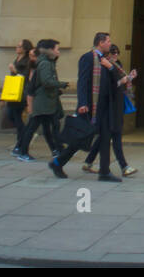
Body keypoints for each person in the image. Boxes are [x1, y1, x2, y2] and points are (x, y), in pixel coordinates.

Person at [50, 32, 121, 182]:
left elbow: (117, 79)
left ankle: (104, 172)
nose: (110, 44)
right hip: (90, 106)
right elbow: (82, 81)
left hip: (105, 106)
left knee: (105, 137)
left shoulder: (107, 60)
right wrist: (82, 102)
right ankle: (58, 162)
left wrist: (110, 68)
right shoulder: (88, 58)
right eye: (108, 41)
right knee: (81, 138)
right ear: (100, 43)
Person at [84, 47, 138, 177]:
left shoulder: (116, 66)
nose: (115, 55)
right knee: (115, 135)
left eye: (117, 53)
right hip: (111, 107)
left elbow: (120, 83)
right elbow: (110, 85)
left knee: (105, 137)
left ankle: (89, 161)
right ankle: (123, 166)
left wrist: (129, 78)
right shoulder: (105, 66)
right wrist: (123, 79)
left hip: (116, 106)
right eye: (113, 53)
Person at [15, 40, 66, 161]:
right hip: (43, 102)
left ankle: (58, 150)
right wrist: (61, 84)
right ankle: (22, 151)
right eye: (56, 49)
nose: (58, 51)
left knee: (51, 126)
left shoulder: (48, 62)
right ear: (50, 50)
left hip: (47, 102)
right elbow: (46, 81)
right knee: (33, 126)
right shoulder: (45, 64)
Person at [4, 40, 34, 156]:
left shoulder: (27, 61)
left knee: (16, 117)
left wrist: (14, 71)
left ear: (25, 48)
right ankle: (21, 140)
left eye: (19, 46)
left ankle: (20, 143)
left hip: (21, 93)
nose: (17, 47)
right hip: (13, 91)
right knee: (12, 116)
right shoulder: (17, 59)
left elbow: (25, 77)